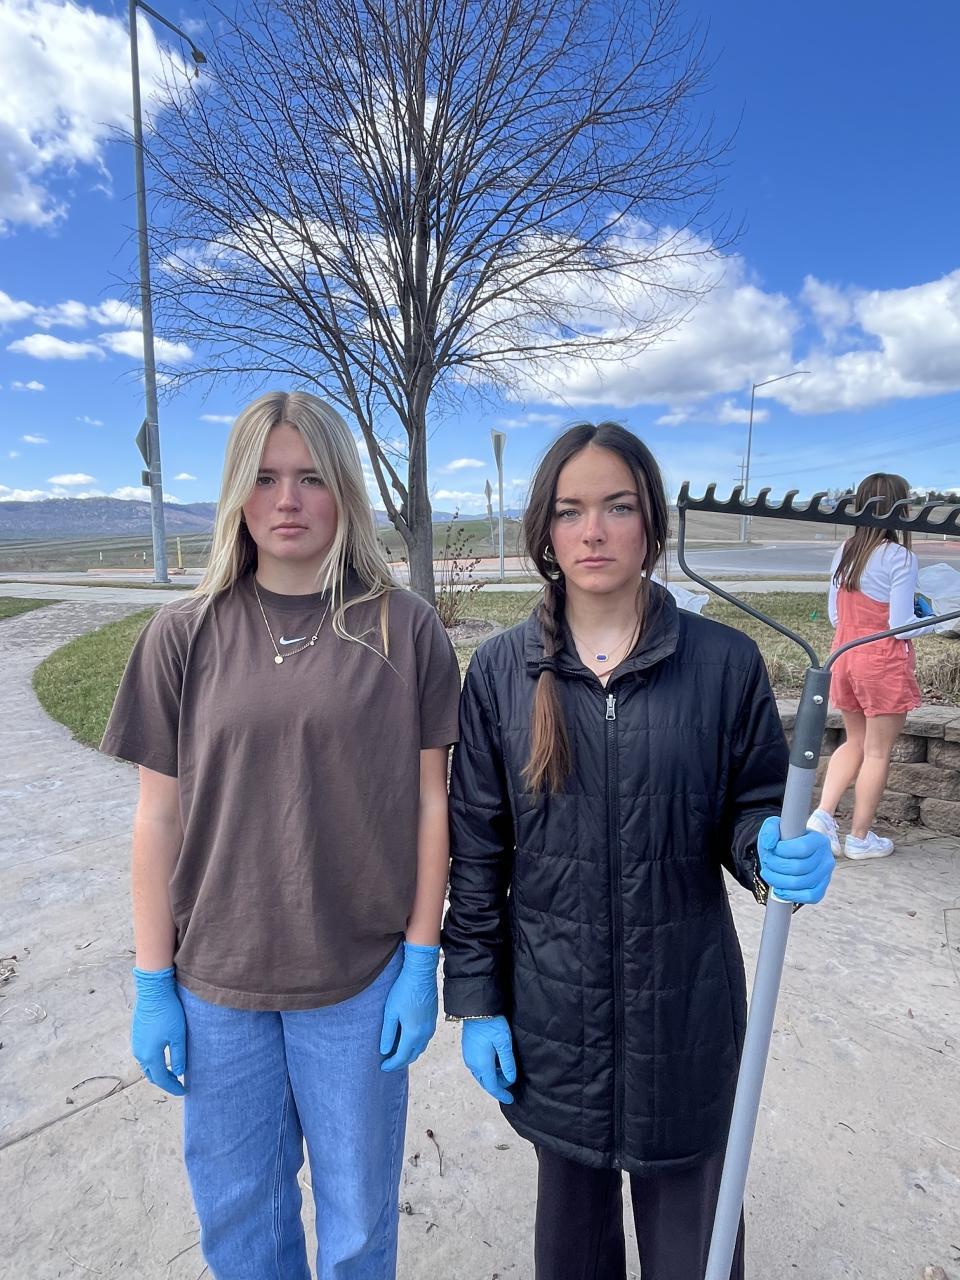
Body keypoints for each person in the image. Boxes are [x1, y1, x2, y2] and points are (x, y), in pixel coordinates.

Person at [440, 423, 834, 1280]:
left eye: (617, 507)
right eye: (570, 510)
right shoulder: (501, 673)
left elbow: (754, 805)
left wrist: (769, 849)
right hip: (553, 1021)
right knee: (574, 1252)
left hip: (686, 1016)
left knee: (695, 1249)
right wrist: (476, 1001)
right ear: (545, 529)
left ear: (651, 521)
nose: (593, 531)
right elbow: (477, 854)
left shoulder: (724, 663)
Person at [99, 391, 460, 1280]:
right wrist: (152, 981)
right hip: (217, 985)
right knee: (240, 1222)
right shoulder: (181, 634)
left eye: (310, 477)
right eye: (264, 479)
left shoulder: (402, 627)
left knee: (358, 1223)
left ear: (344, 491)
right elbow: (157, 818)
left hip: (357, 981)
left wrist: (421, 960)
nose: (287, 500)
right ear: (235, 493)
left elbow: (431, 804)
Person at [807, 472, 932, 861]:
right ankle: (860, 838)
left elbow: (835, 615)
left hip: (844, 655)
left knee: (854, 742)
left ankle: (822, 818)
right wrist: (932, 619)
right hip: (881, 663)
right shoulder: (900, 557)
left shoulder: (845, 550)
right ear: (901, 508)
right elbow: (899, 624)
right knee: (877, 752)